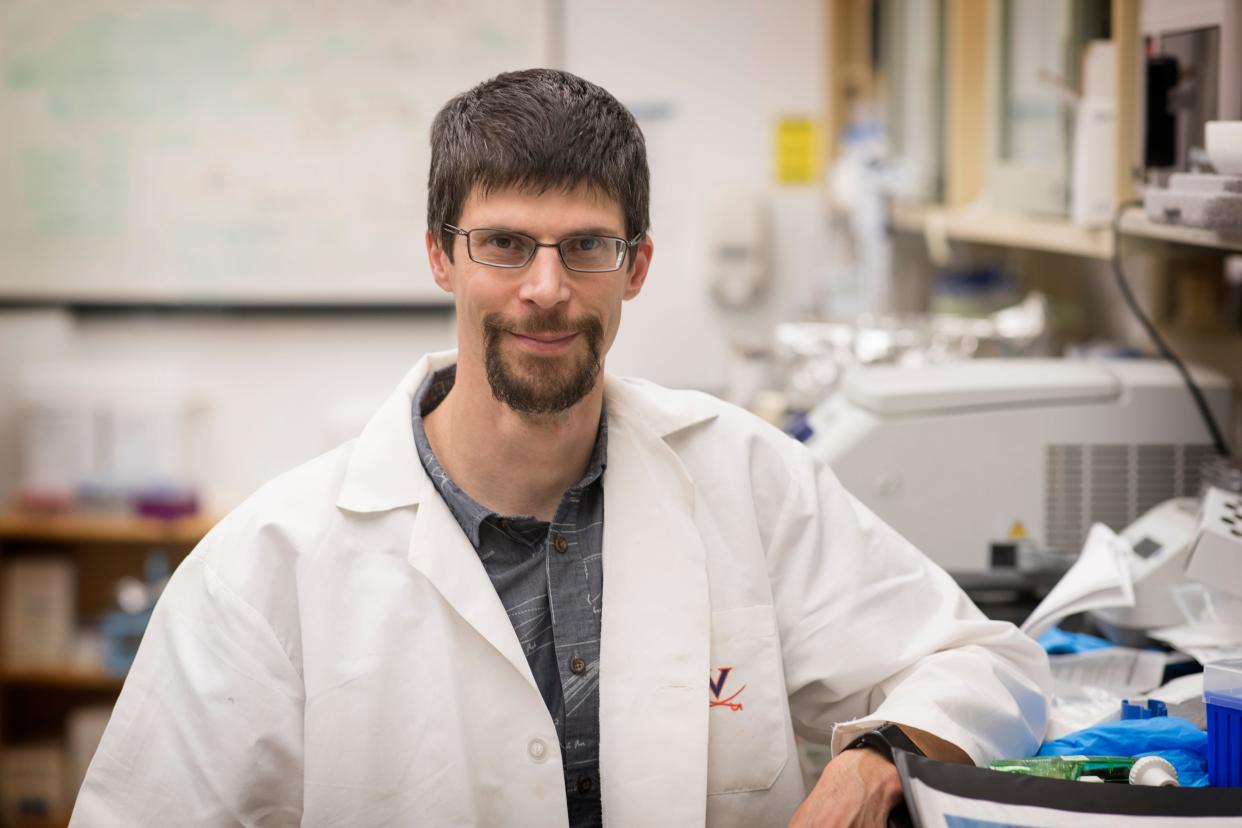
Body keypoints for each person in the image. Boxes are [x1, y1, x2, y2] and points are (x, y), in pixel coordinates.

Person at [72, 69, 1050, 828]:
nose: (546, 287)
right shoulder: (267, 567)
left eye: (586, 247)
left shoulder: (748, 480)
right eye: (505, 244)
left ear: (637, 268)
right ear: (439, 255)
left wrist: (874, 754)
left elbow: (992, 665)